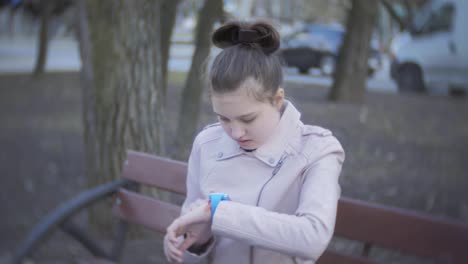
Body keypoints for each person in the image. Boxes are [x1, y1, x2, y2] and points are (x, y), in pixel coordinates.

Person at [163, 19, 345, 264]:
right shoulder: (207, 143)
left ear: (277, 100)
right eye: (224, 118)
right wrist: (188, 239)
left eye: (248, 118)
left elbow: (312, 237)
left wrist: (219, 213)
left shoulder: (317, 150)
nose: (236, 133)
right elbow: (195, 226)